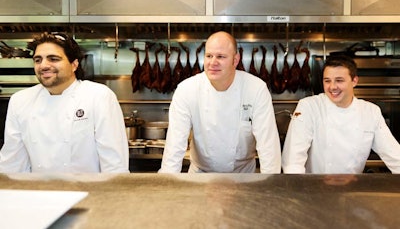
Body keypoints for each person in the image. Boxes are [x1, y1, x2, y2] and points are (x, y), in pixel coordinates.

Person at [0, 32, 129, 173]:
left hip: (90, 192)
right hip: (38, 192)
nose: (43, 65)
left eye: (53, 59)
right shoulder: (20, 101)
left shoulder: (98, 96)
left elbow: (114, 164)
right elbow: (12, 163)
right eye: (38, 60)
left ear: (74, 64)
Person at [159, 31, 281, 173]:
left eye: (221, 57)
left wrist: (271, 186)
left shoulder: (255, 88)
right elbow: (175, 145)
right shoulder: (187, 89)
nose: (213, 62)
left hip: (243, 178)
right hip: (201, 177)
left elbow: (268, 145)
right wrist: (167, 184)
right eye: (209, 56)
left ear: (235, 60)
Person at [282, 55, 400, 174]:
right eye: (327, 81)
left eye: (339, 80)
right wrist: (297, 190)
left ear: (354, 81)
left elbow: (394, 155)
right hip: (313, 188)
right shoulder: (309, 107)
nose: (332, 87)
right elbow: (293, 159)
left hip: (352, 189)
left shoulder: (370, 112)